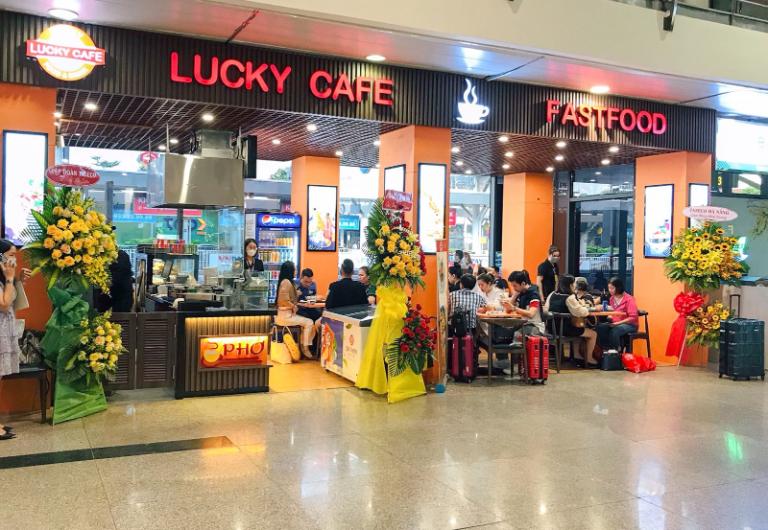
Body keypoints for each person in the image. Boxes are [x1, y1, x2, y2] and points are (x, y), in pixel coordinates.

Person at [544, 275, 598, 366]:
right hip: (565, 329)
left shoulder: (552, 294)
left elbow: (546, 309)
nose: (575, 286)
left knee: (578, 332)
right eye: (573, 284)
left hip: (551, 328)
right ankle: (589, 358)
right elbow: (580, 312)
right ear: (570, 285)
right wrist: (587, 309)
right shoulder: (569, 297)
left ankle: (578, 357)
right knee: (593, 334)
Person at [0, 239, 22, 440]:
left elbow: (13, 298)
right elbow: (4, 304)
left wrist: (16, 279)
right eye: (11, 255)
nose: (14, 259)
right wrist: (9, 278)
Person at [274, 261, 315, 358]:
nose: (295, 271)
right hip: (286, 317)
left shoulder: (285, 281)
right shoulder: (286, 282)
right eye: (294, 269)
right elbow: (282, 300)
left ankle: (302, 345)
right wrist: (293, 306)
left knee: (307, 321)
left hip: (284, 315)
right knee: (309, 322)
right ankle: (305, 348)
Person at [596, 277, 639, 351]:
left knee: (615, 330)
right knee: (600, 327)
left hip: (630, 325)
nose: (610, 290)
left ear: (618, 287)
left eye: (612, 288)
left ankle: (616, 352)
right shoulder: (612, 298)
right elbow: (615, 310)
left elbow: (633, 317)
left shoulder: (629, 299)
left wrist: (617, 323)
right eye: (609, 288)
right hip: (615, 323)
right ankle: (605, 351)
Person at [505, 270, 545, 334]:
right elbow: (508, 310)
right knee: (505, 332)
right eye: (512, 286)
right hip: (522, 323)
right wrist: (514, 297)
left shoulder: (533, 294)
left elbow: (531, 314)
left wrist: (514, 308)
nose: (513, 288)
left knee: (516, 334)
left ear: (523, 283)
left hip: (535, 326)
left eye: (515, 286)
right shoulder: (520, 292)